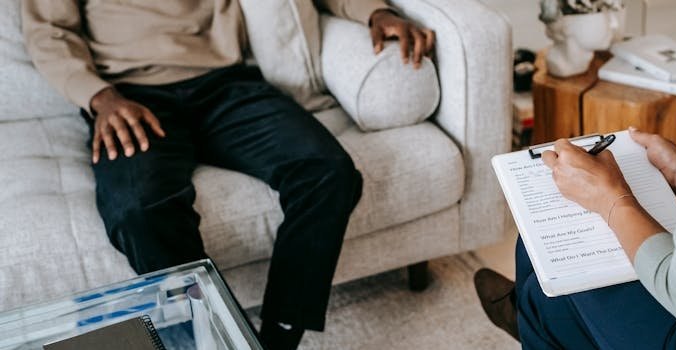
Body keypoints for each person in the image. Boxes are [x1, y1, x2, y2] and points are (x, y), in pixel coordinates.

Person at [21, 1, 435, 349]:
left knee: (328, 173)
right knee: (138, 211)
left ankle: (276, 338)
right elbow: (48, 32)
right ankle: (215, 341)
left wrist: (375, 11)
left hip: (227, 85)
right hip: (128, 95)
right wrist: (100, 97)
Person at [474, 0, 676, 348]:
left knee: (553, 253)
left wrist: (611, 199)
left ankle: (530, 316)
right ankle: (532, 316)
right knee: (545, 265)